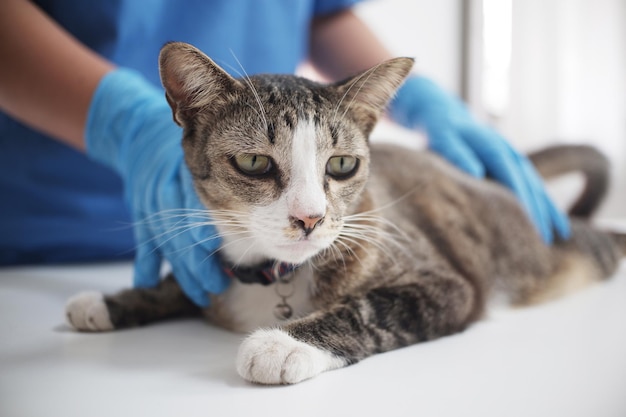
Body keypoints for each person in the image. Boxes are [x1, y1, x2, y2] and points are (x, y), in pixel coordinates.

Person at [0, 0, 569, 306]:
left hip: (265, 235)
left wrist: (404, 97)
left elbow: (321, 7)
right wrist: (120, 121)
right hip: (43, 234)